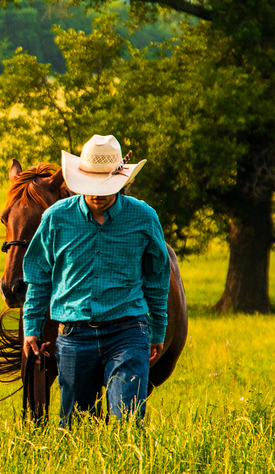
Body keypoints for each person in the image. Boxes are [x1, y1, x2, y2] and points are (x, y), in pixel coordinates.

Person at [21, 135, 169, 426]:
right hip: (74, 335)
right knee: (77, 425)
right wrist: (31, 328)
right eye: (91, 187)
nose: (97, 194)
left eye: (105, 188)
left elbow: (157, 277)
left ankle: (129, 470)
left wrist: (158, 330)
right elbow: (38, 277)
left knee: (127, 420)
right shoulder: (55, 219)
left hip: (128, 330)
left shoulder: (144, 218)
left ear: (121, 183)